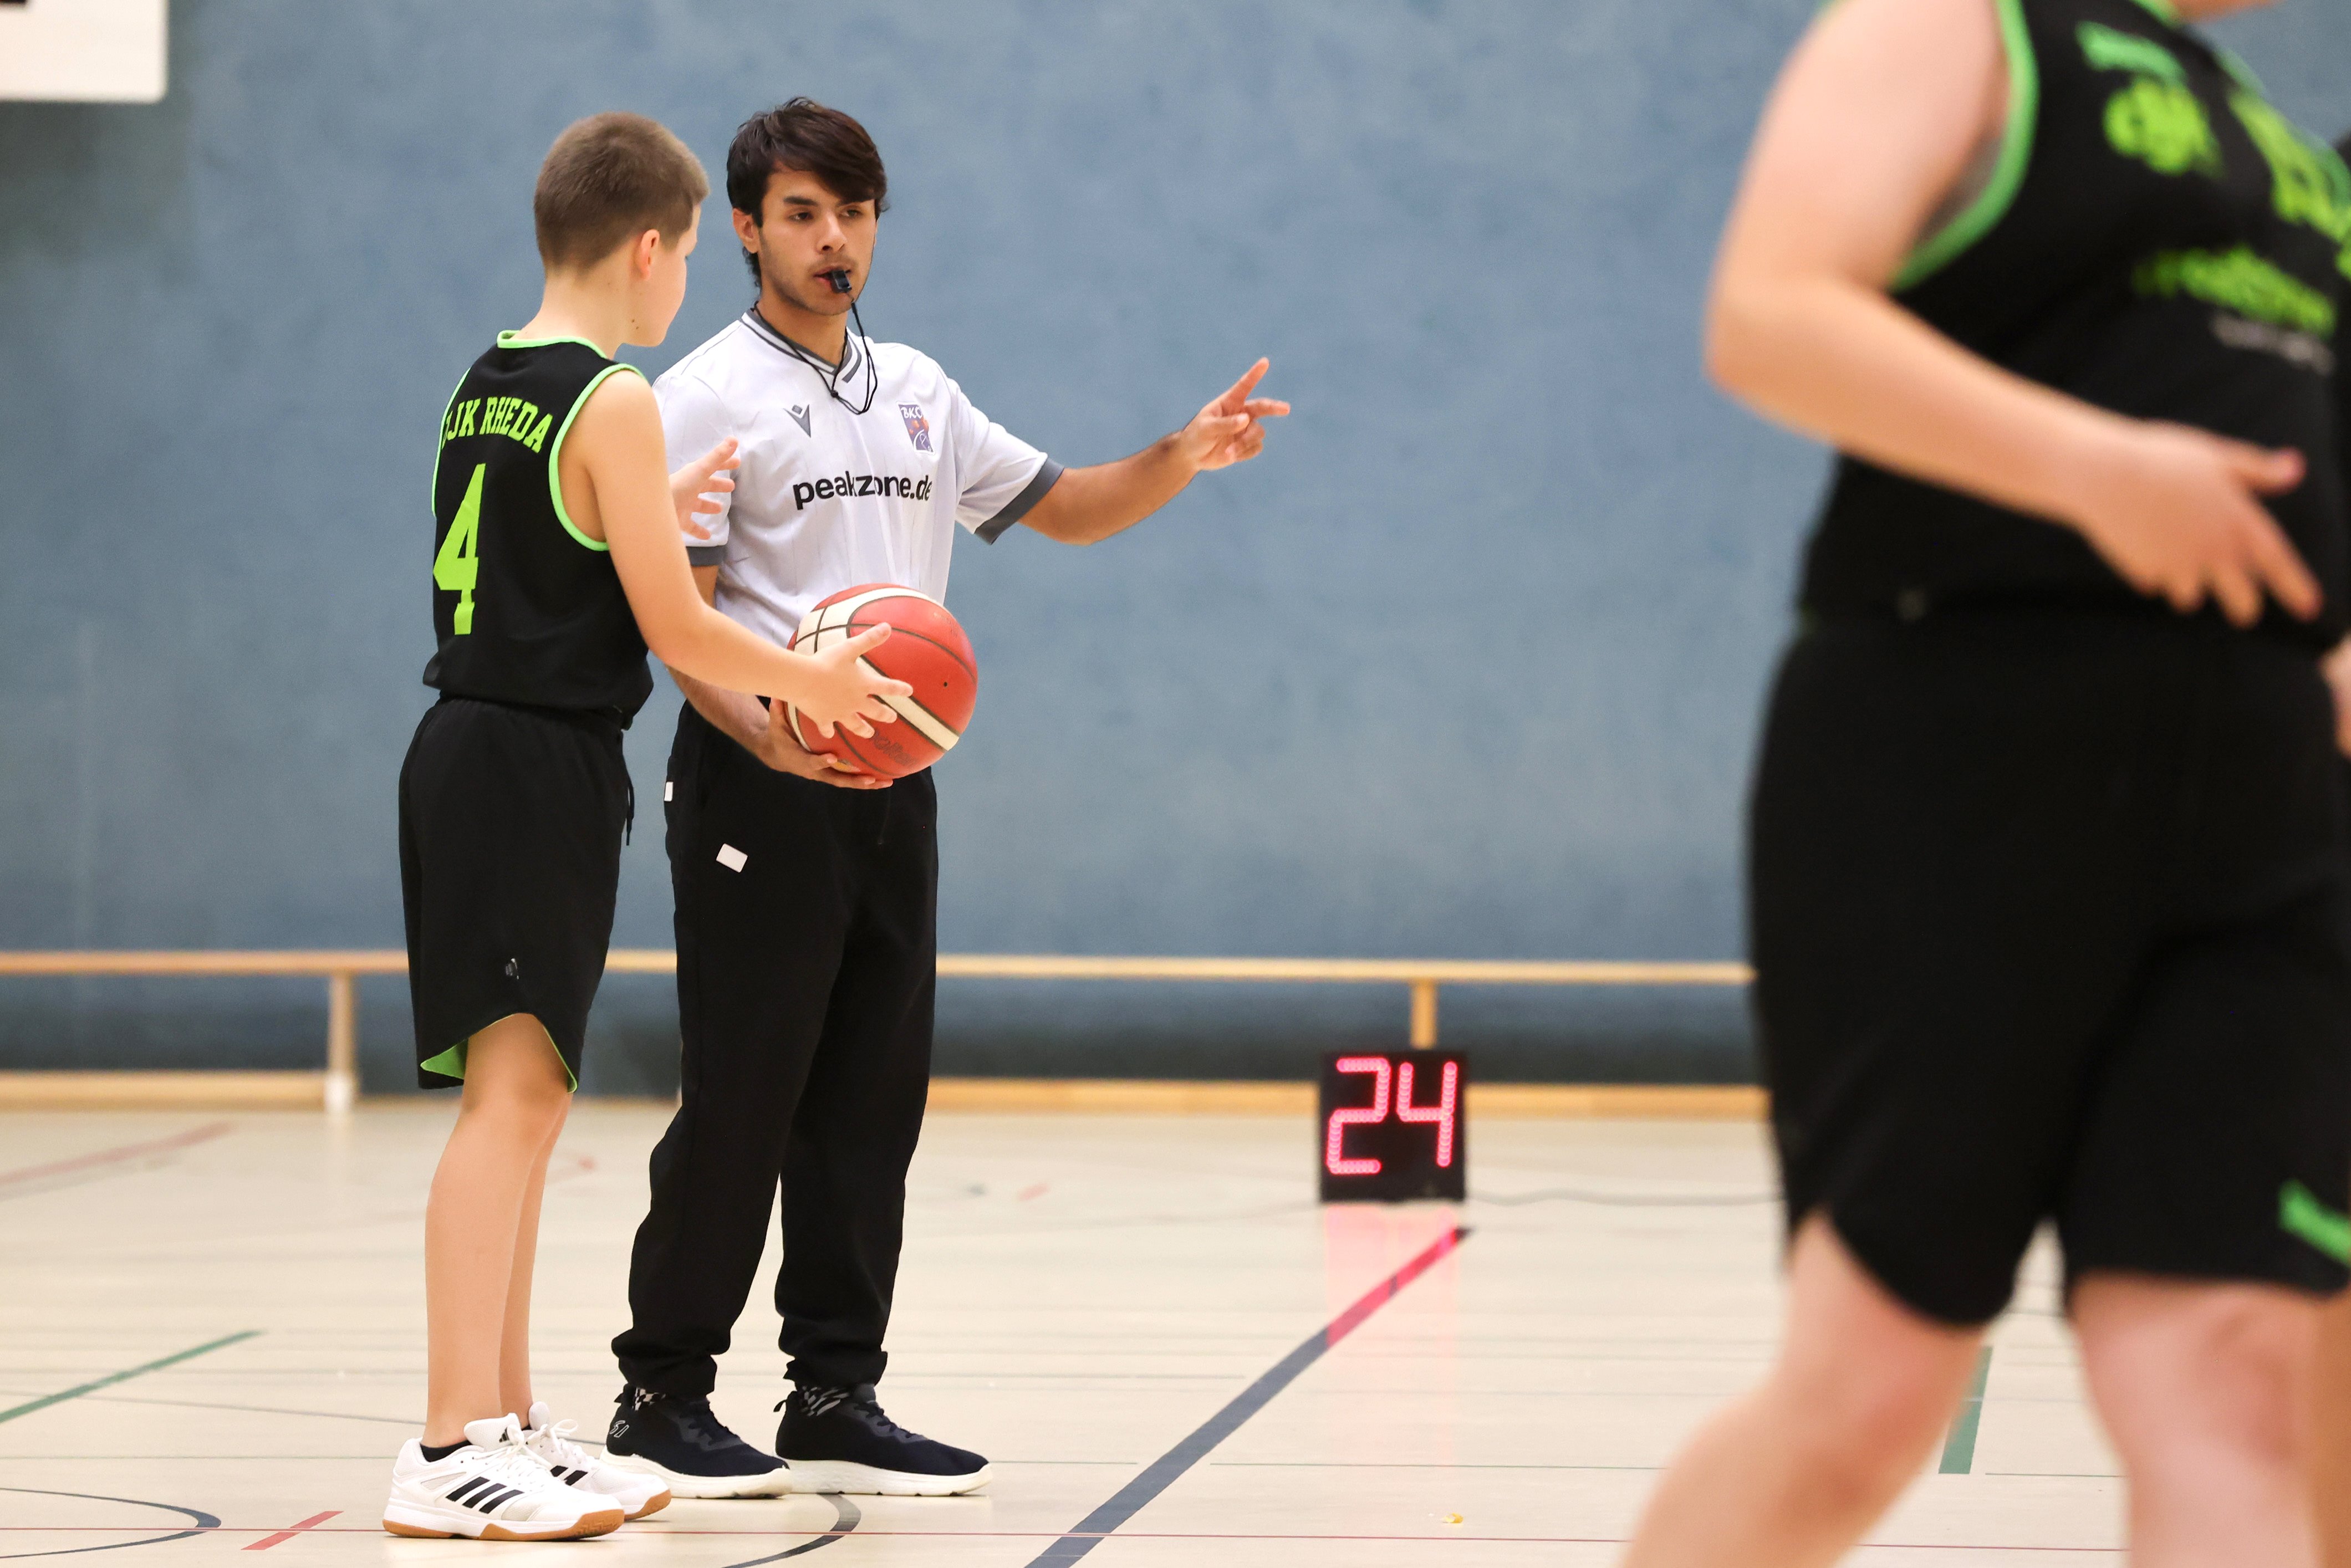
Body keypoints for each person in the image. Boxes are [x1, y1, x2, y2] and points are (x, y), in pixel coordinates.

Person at [1622, 1, 2351, 1564]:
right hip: (1962, 740)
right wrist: (2095, 468)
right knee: (1869, 1390)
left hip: (2258, 791)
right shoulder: (1963, 26)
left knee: (2232, 1379)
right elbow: (1768, 314)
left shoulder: (2270, 137)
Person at [598, 98, 1288, 1499]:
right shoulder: (704, 396)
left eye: (853, 213)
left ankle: (833, 1387)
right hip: (757, 777)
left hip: (892, 782)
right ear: (749, 231)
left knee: (870, 1095)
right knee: (745, 1090)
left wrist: (1182, 452)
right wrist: (770, 732)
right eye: (802, 214)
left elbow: (1067, 505)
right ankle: (662, 1389)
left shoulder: (917, 388)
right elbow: (685, 621)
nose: (834, 238)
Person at [384, 111, 910, 1541]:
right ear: (651, 247)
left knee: (532, 1098)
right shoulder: (612, 395)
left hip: (484, 752)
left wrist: (643, 505)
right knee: (509, 1106)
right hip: (525, 762)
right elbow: (678, 624)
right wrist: (818, 678)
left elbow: (539, 543)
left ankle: (505, 1420)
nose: (681, 284)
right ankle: (444, 1441)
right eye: (682, 257)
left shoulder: (490, 379)